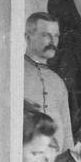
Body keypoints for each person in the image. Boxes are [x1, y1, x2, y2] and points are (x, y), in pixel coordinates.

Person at [23, 12, 74, 152]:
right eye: (46, 35)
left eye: (56, 36)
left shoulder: (57, 82)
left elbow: (67, 132)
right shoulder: (15, 75)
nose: (53, 41)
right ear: (28, 37)